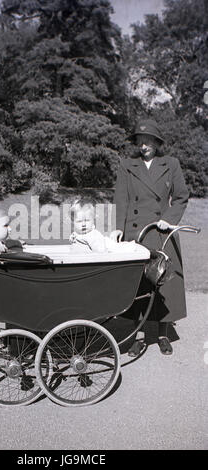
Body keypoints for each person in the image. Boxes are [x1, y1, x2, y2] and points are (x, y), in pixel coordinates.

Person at [110, 118, 189, 356]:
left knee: (165, 283)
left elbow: (181, 196)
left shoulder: (171, 163)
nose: (143, 145)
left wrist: (169, 218)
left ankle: (163, 334)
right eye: (140, 141)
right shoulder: (127, 164)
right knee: (139, 286)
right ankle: (139, 336)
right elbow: (121, 199)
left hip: (162, 231)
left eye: (148, 141)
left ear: (157, 142)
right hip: (136, 234)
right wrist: (118, 229)